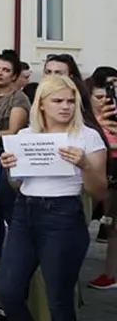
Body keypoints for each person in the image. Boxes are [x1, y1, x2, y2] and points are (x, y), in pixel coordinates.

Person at [0, 74, 108, 321]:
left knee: (58, 299)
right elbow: (17, 185)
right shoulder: (26, 135)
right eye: (58, 101)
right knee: (8, 291)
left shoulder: (87, 136)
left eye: (70, 101)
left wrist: (85, 165)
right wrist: (10, 168)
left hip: (63, 214)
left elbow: (100, 191)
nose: (65, 106)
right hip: (24, 212)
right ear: (41, 104)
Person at [0, 49, 29, 267]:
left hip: (7, 156)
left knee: (7, 206)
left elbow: (14, 130)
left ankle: (18, 257)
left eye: (5, 70)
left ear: (14, 75)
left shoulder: (19, 98)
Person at [86, 69, 117, 290]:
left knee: (112, 225)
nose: (104, 102)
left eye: (108, 97)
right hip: (91, 172)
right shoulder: (87, 121)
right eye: (98, 98)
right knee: (81, 219)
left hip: (113, 172)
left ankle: (111, 274)